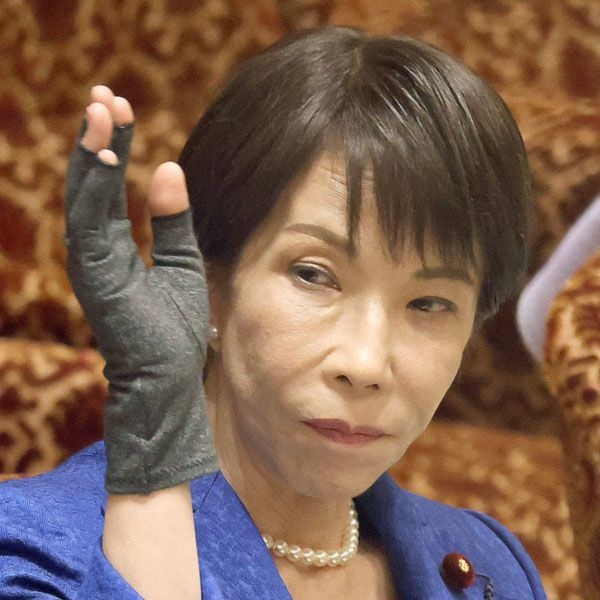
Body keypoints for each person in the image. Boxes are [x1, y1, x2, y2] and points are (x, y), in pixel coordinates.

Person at [0, 27, 547, 599]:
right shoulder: (33, 554)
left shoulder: (493, 567)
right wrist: (157, 442)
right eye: (314, 275)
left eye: (429, 303)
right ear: (208, 283)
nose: (365, 364)